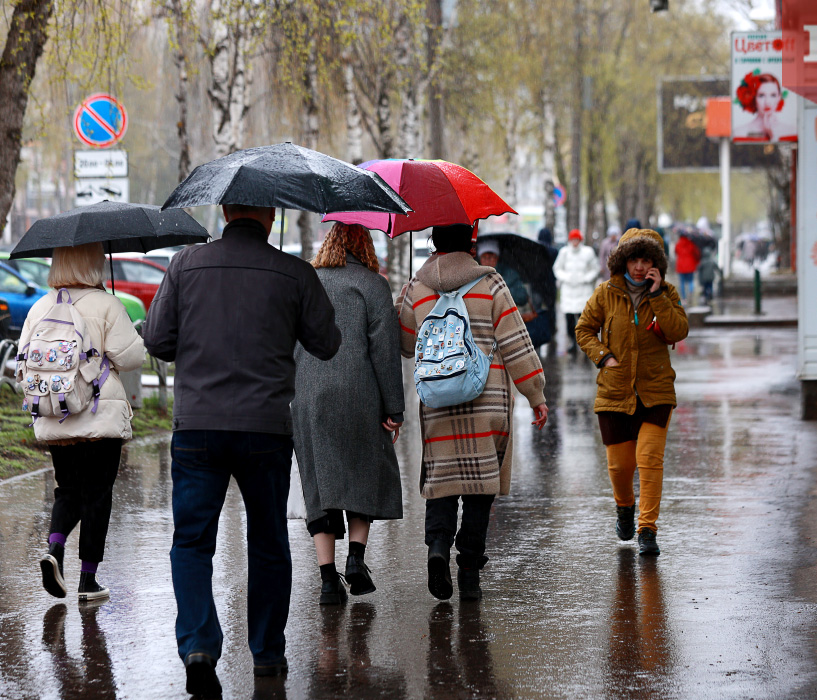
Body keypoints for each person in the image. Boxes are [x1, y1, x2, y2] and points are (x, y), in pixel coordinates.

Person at [143, 203, 341, 698]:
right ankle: (267, 653)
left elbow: (159, 341)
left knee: (192, 541)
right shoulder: (294, 272)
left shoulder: (185, 264)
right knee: (269, 541)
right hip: (265, 429)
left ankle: (198, 645)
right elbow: (327, 343)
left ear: (225, 210)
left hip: (198, 427)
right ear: (271, 215)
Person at [397, 223, 548, 601]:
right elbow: (516, 343)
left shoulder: (418, 287)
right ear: (471, 243)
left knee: (442, 484)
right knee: (481, 489)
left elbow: (405, 344)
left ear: (434, 243)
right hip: (487, 403)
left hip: (438, 403)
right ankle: (468, 570)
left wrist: (405, 299)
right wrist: (535, 394)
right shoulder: (491, 283)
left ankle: (437, 548)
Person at [291, 222, 404, 606]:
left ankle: (328, 581)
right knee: (361, 471)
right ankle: (355, 559)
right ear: (365, 244)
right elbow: (384, 352)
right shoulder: (373, 285)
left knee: (319, 484)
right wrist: (394, 409)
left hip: (308, 394)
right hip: (359, 393)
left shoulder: (304, 282)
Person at [28, 243, 145, 604]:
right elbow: (133, 358)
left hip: (56, 412)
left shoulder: (40, 306)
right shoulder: (106, 304)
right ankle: (88, 581)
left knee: (67, 490)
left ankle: (55, 548)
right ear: (94, 263)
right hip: (100, 414)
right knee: (96, 494)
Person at [575, 228, 689, 556]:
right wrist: (604, 357)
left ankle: (647, 529)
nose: (639, 267)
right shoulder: (605, 293)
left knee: (649, 460)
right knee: (620, 468)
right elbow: (584, 330)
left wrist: (657, 295)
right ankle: (625, 507)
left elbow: (678, 330)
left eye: (646, 260)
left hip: (656, 391)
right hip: (614, 392)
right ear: (622, 260)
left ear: (656, 264)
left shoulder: (667, 292)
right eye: (634, 259)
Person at [552, 229, 600, 353]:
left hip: (583, 291)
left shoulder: (588, 252)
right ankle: (573, 341)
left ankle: (585, 341)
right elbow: (557, 268)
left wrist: (586, 278)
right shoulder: (564, 252)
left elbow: (595, 268)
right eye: (573, 239)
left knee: (584, 320)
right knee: (569, 320)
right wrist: (565, 277)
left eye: (577, 239)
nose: (575, 242)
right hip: (568, 292)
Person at [476, 239, 535, 321]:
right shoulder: (475, 276)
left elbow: (522, 297)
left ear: (497, 258)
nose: (487, 261)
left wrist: (501, 291)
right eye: (484, 257)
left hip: (507, 319)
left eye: (490, 257)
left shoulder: (510, 274)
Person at [733, 72, 796, 142]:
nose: (767, 102)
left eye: (773, 95)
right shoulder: (739, 132)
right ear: (753, 98)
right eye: (761, 95)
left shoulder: (792, 131)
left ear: (779, 97)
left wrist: (773, 135)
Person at [674, 233, 700, 303]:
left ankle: (684, 298)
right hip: (690, 265)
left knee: (682, 282)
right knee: (690, 281)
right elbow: (696, 253)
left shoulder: (678, 244)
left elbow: (676, 252)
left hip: (681, 266)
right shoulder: (691, 244)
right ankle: (690, 292)